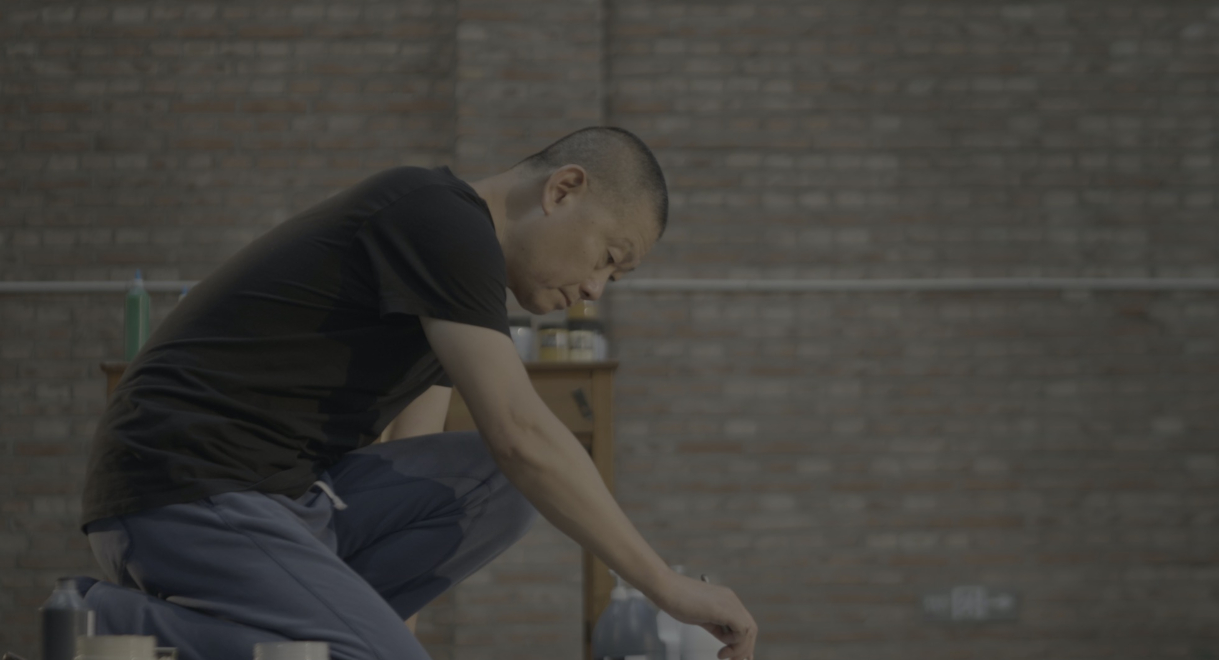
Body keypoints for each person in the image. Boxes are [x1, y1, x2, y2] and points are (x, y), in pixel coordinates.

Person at [78, 127, 758, 660]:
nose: (594, 291)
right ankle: (114, 626)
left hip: (284, 502)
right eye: (608, 257)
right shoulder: (437, 217)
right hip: (186, 487)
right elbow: (520, 433)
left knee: (494, 484)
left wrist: (392, 623)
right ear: (564, 189)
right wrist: (662, 585)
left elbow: (416, 451)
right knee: (513, 466)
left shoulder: (459, 282)